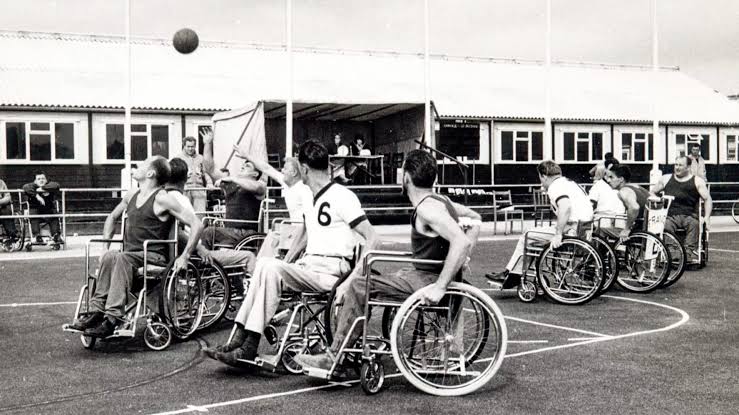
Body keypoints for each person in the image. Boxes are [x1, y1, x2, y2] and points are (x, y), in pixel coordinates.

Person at [296, 149, 481, 373]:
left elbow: (459, 242)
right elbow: (475, 218)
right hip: (423, 274)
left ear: (406, 178)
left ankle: (335, 356)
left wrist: (442, 285)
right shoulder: (441, 200)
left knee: (358, 284)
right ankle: (347, 346)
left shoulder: (427, 208)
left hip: (427, 280)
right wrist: (461, 261)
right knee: (373, 277)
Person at [204, 140, 378, 366]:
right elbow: (305, 233)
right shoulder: (309, 195)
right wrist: (285, 263)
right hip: (309, 267)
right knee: (266, 263)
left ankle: (247, 345)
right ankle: (238, 341)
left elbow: (372, 237)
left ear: (304, 169)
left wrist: (353, 278)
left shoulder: (342, 196)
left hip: (332, 271)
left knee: (268, 265)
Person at [66, 156, 203, 338]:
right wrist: (104, 247)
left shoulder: (162, 198)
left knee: (122, 257)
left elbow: (197, 224)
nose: (137, 165)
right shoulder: (132, 194)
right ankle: (96, 312)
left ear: (150, 173)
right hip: (132, 256)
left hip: (153, 255)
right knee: (110, 257)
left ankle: (112, 318)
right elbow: (112, 217)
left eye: (143, 163)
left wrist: (184, 256)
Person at [486, 160, 594, 286]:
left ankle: (513, 274)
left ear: (543, 176)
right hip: (583, 227)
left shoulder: (555, 187)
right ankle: (516, 273)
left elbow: (565, 206)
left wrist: (558, 234)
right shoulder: (569, 183)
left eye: (540, 178)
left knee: (528, 235)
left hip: (572, 229)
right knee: (536, 236)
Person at [231, 145, 313, 259]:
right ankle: (257, 269)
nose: (282, 170)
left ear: (293, 172)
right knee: (271, 237)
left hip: (301, 233)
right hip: (292, 230)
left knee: (274, 239)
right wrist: (247, 156)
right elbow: (267, 169)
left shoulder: (303, 190)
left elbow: (308, 223)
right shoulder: (288, 184)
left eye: (285, 168)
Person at [200, 130, 266, 249]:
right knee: (204, 230)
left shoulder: (258, 185)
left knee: (208, 232)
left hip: (246, 232)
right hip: (230, 231)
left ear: (255, 173)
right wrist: (207, 144)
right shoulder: (232, 182)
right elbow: (209, 168)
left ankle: (204, 263)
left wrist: (233, 178)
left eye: (247, 166)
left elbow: (255, 187)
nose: (243, 166)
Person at [651, 156, 712, 264]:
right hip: (670, 215)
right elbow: (652, 192)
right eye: (676, 165)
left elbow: (707, 199)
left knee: (695, 225)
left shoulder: (697, 181)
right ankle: (672, 254)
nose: (677, 168)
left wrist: (706, 218)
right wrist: (659, 201)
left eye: (680, 165)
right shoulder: (666, 179)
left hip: (689, 215)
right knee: (664, 225)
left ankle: (687, 254)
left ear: (688, 167)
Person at [603, 165, 653, 239]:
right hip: (649, 229)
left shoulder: (624, 191)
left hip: (640, 232)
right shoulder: (636, 186)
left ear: (621, 179)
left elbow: (634, 207)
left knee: (601, 230)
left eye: (611, 177)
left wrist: (627, 229)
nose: (608, 181)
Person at [22, 172, 62, 244]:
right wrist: (37, 195)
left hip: (48, 210)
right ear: (35, 181)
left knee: (54, 215)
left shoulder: (49, 186)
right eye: (39, 179)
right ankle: (37, 236)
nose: (41, 180)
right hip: (36, 212)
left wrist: (42, 188)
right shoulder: (32, 186)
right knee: (33, 214)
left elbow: (56, 185)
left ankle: (56, 235)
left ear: (46, 180)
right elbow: (25, 187)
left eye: (43, 178)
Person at [178, 136, 213, 216]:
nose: (190, 149)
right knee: (186, 214)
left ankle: (200, 228)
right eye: (188, 146)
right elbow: (174, 175)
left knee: (200, 214)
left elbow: (206, 172)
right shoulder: (178, 158)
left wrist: (209, 182)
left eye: (192, 146)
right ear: (184, 146)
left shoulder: (200, 158)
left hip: (199, 189)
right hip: (185, 189)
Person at [589, 158, 625, 227]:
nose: (613, 171)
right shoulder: (598, 185)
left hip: (619, 221)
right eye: (611, 169)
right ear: (605, 169)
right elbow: (591, 204)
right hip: (603, 222)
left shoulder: (621, 186)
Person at [0, 178, 19, 243]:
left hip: (1, 205)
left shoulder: (1, 182)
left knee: (6, 211)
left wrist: (0, 202)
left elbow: (8, 197)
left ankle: (12, 235)